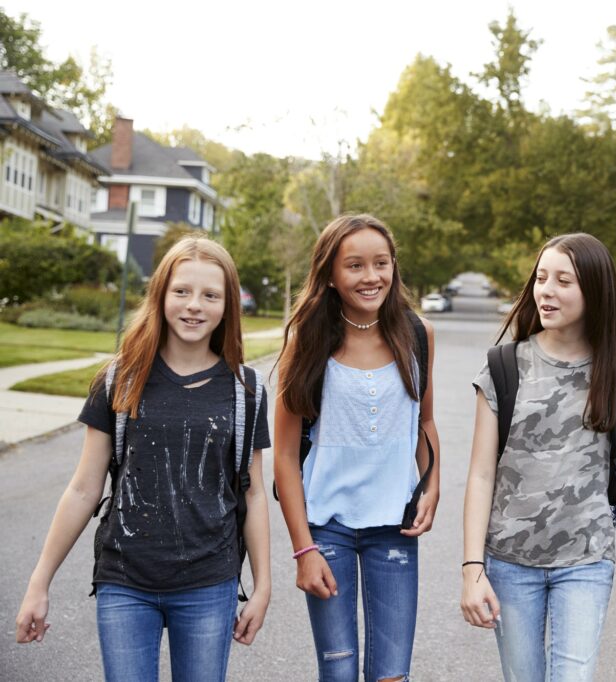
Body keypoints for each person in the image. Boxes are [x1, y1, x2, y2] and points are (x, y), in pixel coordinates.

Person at [14, 237, 272, 682]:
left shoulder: (245, 391)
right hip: (125, 583)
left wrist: (263, 584)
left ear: (228, 305)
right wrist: (40, 582)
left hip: (210, 584)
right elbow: (83, 488)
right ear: (161, 296)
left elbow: (253, 492)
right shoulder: (118, 380)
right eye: (182, 291)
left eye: (210, 295)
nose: (194, 306)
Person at [461, 232, 616, 682]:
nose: (546, 290)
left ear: (594, 291)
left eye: (563, 280)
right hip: (508, 560)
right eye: (541, 278)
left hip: (585, 560)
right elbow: (480, 474)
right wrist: (472, 567)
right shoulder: (503, 366)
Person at [274, 213, 440, 682]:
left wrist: (432, 486)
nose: (371, 277)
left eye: (381, 263)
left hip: (395, 528)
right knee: (339, 673)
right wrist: (302, 550)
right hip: (327, 530)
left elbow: (425, 421)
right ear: (330, 274)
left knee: (391, 675)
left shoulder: (417, 335)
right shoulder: (305, 341)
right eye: (355, 266)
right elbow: (285, 456)